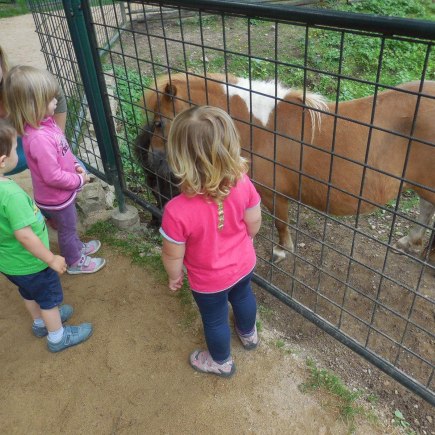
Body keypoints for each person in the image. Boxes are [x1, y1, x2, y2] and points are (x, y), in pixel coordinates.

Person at [160, 105, 262, 377]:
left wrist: (174, 276)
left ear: (179, 157)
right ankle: (249, 334)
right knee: (243, 297)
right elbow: (254, 220)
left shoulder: (176, 210)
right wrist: (247, 240)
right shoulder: (242, 182)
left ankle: (220, 361)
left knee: (215, 319)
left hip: (209, 282)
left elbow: (172, 254)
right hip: (243, 264)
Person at [0, 119, 93, 352]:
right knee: (48, 297)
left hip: (10, 263)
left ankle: (40, 322)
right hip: (32, 262)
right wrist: (50, 259)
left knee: (28, 293)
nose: (16, 153)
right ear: (3, 161)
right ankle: (57, 336)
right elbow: (24, 235)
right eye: (14, 149)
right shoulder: (10, 194)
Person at [3, 65, 106, 274]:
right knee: (67, 229)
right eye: (50, 99)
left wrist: (75, 165)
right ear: (35, 105)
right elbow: (52, 176)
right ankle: (75, 261)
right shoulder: (39, 138)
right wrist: (78, 180)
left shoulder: (46, 124)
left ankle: (75, 247)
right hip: (56, 197)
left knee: (69, 226)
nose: (56, 101)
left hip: (59, 193)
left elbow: (62, 153)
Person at [0, 45, 67, 176]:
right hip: (7, 153)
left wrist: (57, 139)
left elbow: (54, 92)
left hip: (29, 143)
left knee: (72, 169)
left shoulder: (16, 78)